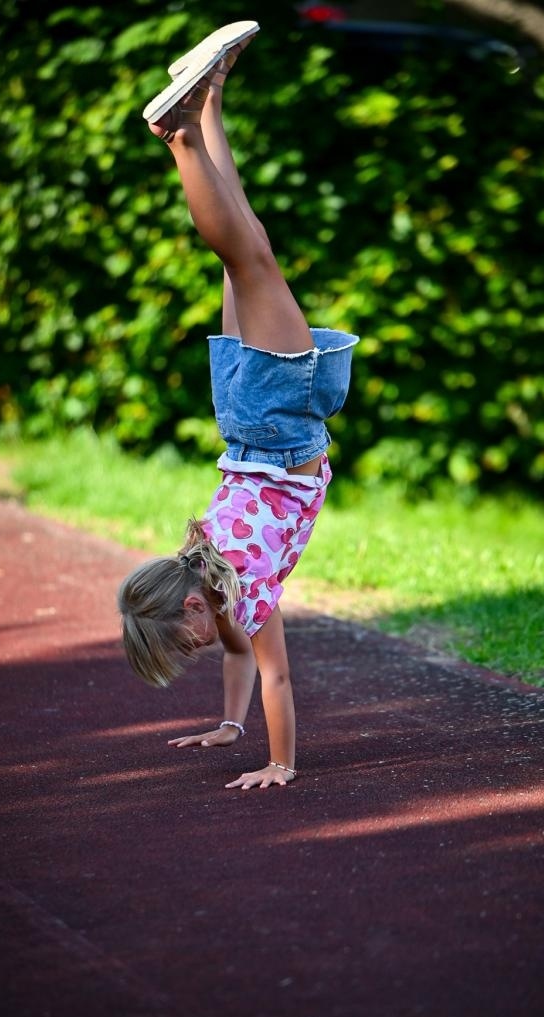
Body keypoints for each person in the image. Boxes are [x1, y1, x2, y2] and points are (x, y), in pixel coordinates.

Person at [118, 21, 358, 790]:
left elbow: (274, 674)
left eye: (180, 641)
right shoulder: (206, 570)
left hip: (278, 429)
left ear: (191, 605)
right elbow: (233, 653)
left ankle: (179, 135)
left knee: (247, 256)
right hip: (243, 423)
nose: (192, 650)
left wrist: (279, 764)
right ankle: (209, 97)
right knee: (246, 247)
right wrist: (230, 726)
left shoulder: (237, 589)